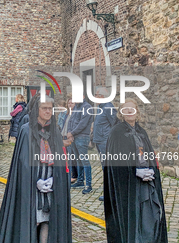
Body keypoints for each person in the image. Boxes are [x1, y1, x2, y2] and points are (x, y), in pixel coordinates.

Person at [0, 94, 72, 243]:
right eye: (44, 108)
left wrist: (55, 179)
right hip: (31, 186)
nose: (48, 111)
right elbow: (22, 163)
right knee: (32, 219)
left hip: (50, 184)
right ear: (37, 109)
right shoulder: (26, 130)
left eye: (50, 109)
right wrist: (35, 181)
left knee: (47, 220)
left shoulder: (55, 130)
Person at [104, 98, 167, 242]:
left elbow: (149, 155)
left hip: (146, 182)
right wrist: (134, 172)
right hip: (128, 187)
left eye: (132, 109)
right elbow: (114, 164)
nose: (129, 111)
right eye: (125, 109)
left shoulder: (141, 131)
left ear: (137, 112)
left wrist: (151, 169)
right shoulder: (116, 132)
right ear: (121, 112)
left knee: (151, 216)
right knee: (134, 219)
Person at [92, 87, 117, 201]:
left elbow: (115, 124)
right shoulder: (102, 107)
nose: (95, 97)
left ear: (102, 96)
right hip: (100, 141)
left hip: (105, 142)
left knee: (107, 167)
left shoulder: (108, 107)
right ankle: (109, 192)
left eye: (96, 95)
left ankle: (110, 193)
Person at [67, 95, 93, 194]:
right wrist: (70, 133)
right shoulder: (77, 107)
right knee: (78, 160)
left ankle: (88, 185)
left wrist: (72, 133)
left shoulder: (87, 107)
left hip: (82, 137)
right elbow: (70, 121)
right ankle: (80, 181)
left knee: (84, 161)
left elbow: (83, 123)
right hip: (74, 137)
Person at [59, 96, 77, 183]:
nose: (70, 104)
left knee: (70, 158)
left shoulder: (76, 114)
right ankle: (68, 175)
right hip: (64, 136)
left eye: (72, 103)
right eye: (69, 103)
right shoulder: (66, 114)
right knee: (66, 158)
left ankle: (72, 176)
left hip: (70, 137)